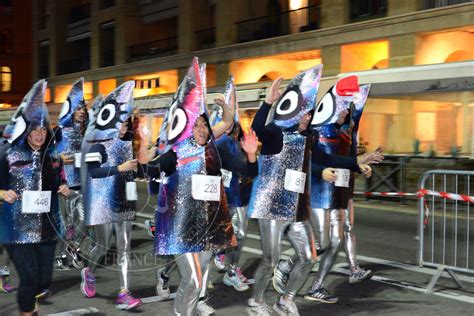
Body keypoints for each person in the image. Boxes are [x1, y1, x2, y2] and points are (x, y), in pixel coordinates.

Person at [138, 58, 250, 316]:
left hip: (208, 222)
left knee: (199, 278)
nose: (202, 129)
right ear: (187, 128)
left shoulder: (212, 148)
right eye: (196, 125)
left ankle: (189, 308)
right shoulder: (176, 153)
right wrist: (144, 146)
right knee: (193, 280)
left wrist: (228, 111)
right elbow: (149, 169)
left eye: (204, 125)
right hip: (180, 225)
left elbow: (226, 124)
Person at [246, 66, 322, 316]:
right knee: (270, 259)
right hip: (271, 205)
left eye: (309, 115)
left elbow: (325, 159)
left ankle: (285, 299)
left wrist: (358, 161)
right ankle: (256, 302)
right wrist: (268, 102)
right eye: (302, 113)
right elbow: (258, 128)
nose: (306, 118)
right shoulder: (276, 134)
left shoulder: (308, 139)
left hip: (296, 207)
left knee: (310, 256)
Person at [0, 80, 69, 316]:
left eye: (42, 130)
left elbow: (60, 182)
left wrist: (64, 188)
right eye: (34, 130)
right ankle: (27, 312)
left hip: (46, 227)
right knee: (28, 277)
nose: (39, 134)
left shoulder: (52, 156)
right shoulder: (9, 154)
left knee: (43, 280)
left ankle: (32, 301)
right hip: (16, 228)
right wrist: (1, 192)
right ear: (26, 131)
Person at [79, 81, 143, 310]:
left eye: (126, 124)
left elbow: (135, 170)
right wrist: (120, 169)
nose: (123, 128)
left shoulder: (127, 146)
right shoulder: (97, 145)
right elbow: (93, 172)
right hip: (101, 201)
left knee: (124, 247)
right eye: (121, 123)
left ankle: (124, 292)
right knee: (103, 246)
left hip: (124, 200)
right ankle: (89, 271)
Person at [54, 77, 88, 271]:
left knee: (84, 221)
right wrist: (60, 178)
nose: (82, 112)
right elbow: (47, 159)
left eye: (83, 109)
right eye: (78, 108)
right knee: (66, 224)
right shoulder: (59, 132)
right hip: (65, 186)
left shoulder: (85, 133)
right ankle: (60, 255)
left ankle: (73, 248)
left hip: (82, 185)